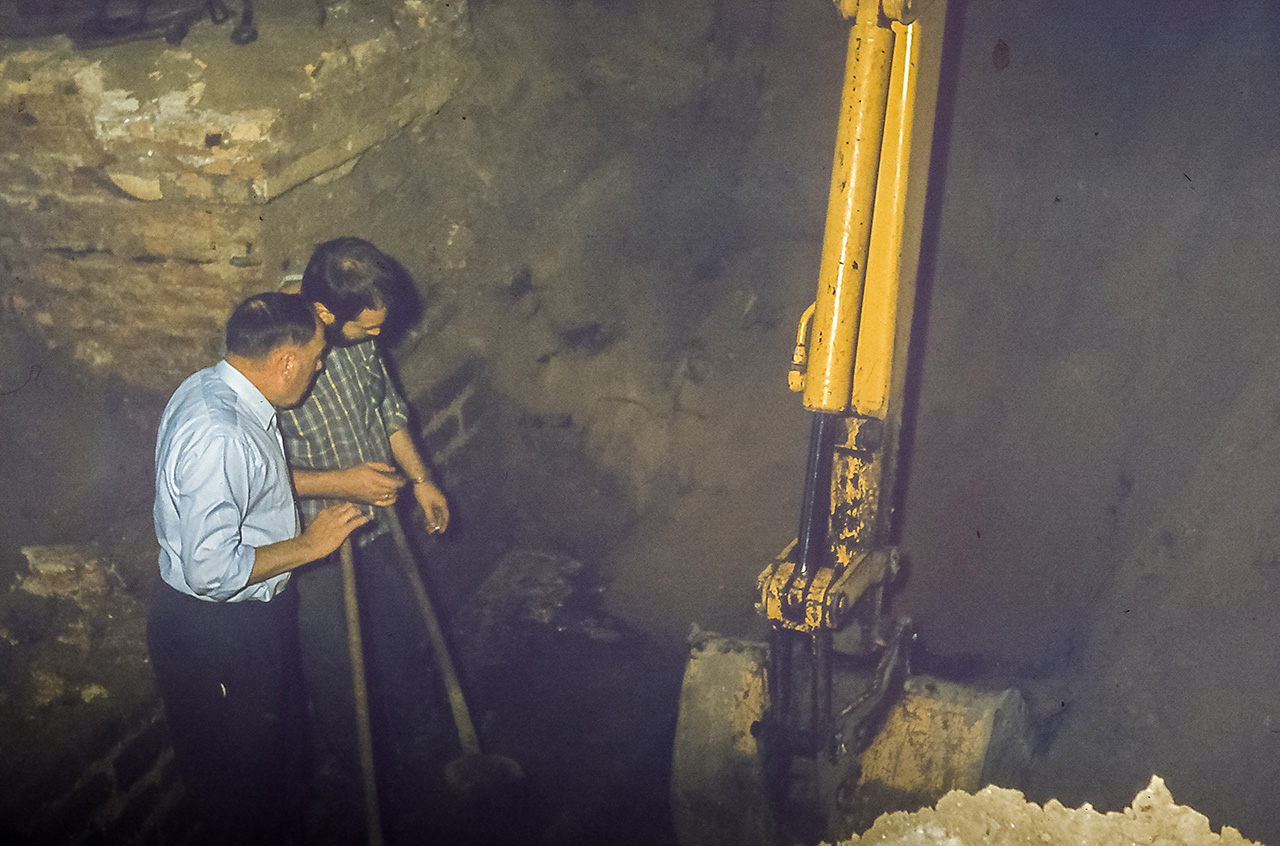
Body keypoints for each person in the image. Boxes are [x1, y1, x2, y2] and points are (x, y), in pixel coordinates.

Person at [147, 292, 370, 845]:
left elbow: (257, 481)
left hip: (248, 623)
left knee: (277, 767)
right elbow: (211, 571)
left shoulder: (216, 388)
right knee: (241, 793)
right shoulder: (219, 433)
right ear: (286, 361)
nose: (320, 371)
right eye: (317, 360)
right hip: (216, 633)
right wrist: (310, 545)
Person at [277, 237, 453, 840]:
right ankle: (362, 807)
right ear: (326, 314)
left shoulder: (357, 335)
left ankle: (430, 785)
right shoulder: (270, 350)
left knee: (405, 654)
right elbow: (252, 471)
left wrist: (422, 478)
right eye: (368, 327)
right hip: (315, 549)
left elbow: (387, 408)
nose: (378, 337)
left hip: (378, 530)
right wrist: (342, 482)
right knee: (339, 684)